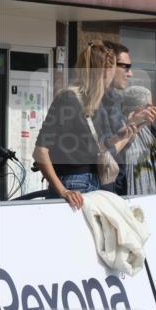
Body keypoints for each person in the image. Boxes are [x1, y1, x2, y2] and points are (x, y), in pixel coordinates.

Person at [33, 42, 123, 209]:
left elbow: (91, 147)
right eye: (115, 67)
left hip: (92, 182)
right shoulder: (68, 98)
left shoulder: (93, 101)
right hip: (74, 185)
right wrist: (63, 191)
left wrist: (126, 132)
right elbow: (40, 151)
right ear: (105, 70)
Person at [96, 42, 156, 194]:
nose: (130, 74)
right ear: (108, 66)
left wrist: (132, 125)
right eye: (126, 67)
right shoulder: (93, 102)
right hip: (97, 190)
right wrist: (132, 126)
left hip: (114, 187)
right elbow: (103, 153)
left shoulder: (114, 100)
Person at [120, 86, 156, 195]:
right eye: (149, 106)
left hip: (153, 193)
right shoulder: (120, 127)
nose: (153, 109)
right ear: (137, 108)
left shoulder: (148, 130)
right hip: (129, 193)